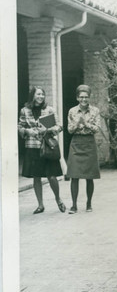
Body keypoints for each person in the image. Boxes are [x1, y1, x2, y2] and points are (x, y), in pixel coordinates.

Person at [18, 86, 66, 214]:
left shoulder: (49, 110)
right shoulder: (25, 110)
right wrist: (28, 131)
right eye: (38, 94)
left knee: (52, 176)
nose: (41, 97)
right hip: (32, 147)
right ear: (33, 95)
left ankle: (58, 199)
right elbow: (20, 127)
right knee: (36, 176)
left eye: (42, 94)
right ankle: (40, 205)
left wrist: (48, 130)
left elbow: (59, 126)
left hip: (47, 146)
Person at [66, 85, 100, 214]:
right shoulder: (72, 111)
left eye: (86, 97)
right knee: (74, 175)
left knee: (89, 176)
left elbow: (97, 128)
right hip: (76, 143)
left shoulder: (95, 111)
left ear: (89, 97)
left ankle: (89, 203)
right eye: (81, 97)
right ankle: (74, 205)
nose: (84, 99)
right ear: (77, 97)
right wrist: (77, 124)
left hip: (89, 143)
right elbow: (69, 129)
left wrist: (86, 124)